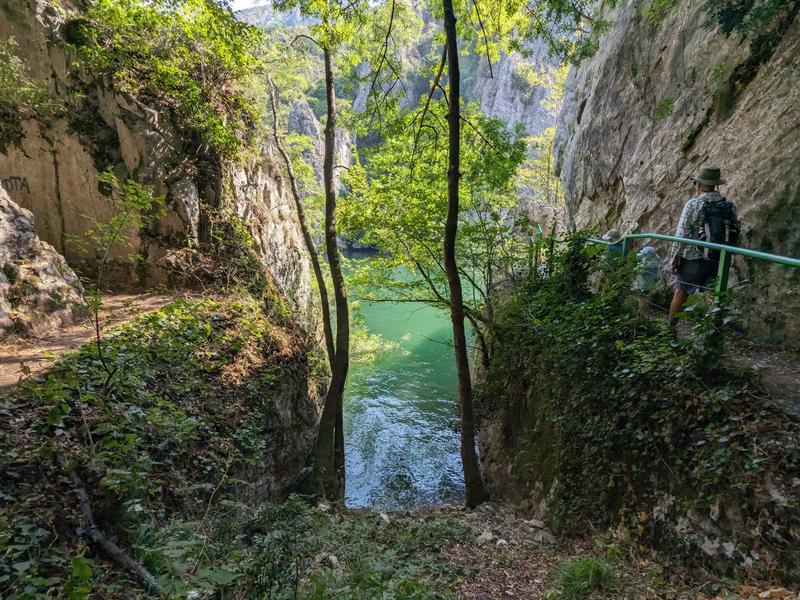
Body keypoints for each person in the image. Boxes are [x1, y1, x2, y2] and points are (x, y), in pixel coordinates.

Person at [666, 166, 739, 327]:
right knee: (713, 295)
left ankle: (669, 331)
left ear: (699, 185)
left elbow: (681, 235)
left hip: (694, 258)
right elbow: (735, 231)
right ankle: (713, 337)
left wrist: (673, 260)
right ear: (716, 185)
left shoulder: (693, 204)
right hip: (718, 259)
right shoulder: (729, 206)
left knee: (681, 292)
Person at [634, 246, 661, 314]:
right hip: (651, 283)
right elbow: (658, 276)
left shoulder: (644, 265)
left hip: (643, 283)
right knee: (646, 295)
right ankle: (644, 309)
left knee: (642, 296)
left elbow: (638, 270)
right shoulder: (655, 264)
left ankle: (641, 311)